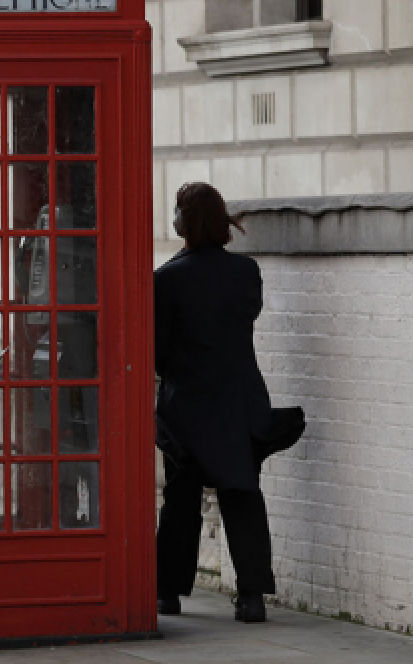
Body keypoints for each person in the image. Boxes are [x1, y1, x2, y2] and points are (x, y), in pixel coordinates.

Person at [153, 182, 276, 623]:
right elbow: (244, 321)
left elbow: (158, 350)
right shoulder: (246, 272)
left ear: (183, 222)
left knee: (181, 499)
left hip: (187, 404)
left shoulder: (167, 278)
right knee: (242, 495)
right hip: (239, 400)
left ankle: (167, 592)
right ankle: (252, 596)